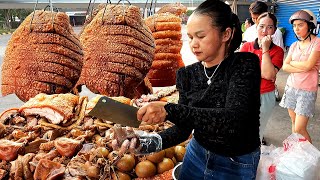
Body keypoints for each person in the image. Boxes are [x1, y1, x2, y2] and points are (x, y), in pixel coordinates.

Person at [111, 0, 262, 179]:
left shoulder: (244, 64)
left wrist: (168, 110)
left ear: (226, 34)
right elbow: (183, 129)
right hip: (196, 155)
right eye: (190, 37)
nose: (193, 44)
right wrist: (144, 143)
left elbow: (233, 121)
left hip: (235, 163)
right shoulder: (187, 74)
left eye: (201, 36)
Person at [240, 12, 284, 144]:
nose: (265, 31)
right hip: (245, 93)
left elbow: (269, 75)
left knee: (257, 131)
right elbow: (241, 72)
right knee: (242, 128)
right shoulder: (247, 47)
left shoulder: (278, 51)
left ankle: (252, 161)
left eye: (269, 27)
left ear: (274, 30)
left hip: (265, 95)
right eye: (261, 26)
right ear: (256, 27)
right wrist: (263, 71)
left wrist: (264, 49)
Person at [279, 9, 320, 143]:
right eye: (294, 26)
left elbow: (309, 66)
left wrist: (294, 64)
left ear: (310, 25)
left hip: (306, 91)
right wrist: (303, 65)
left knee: (300, 128)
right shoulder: (294, 45)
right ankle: (296, 153)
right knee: (294, 123)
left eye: (300, 25)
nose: (296, 29)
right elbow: (285, 67)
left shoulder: (317, 43)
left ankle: (309, 156)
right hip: (291, 87)